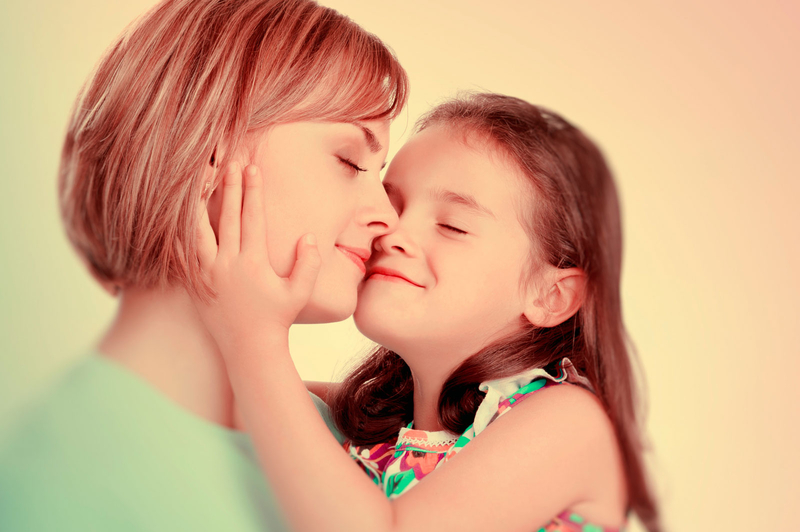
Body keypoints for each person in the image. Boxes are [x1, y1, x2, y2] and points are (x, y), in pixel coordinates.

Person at [0, 0, 407, 530]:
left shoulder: (347, 449)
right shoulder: (49, 476)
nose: (387, 218)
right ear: (207, 154)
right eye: (350, 161)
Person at [193, 93, 662, 531]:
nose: (391, 232)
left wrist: (257, 338)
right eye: (391, 205)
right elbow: (255, 399)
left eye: (452, 226)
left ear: (549, 296)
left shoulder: (569, 421)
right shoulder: (377, 423)